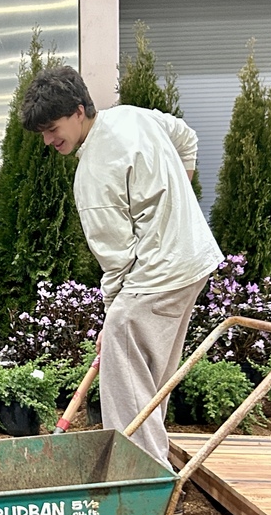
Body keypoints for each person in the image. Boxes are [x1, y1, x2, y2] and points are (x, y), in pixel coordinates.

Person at [20, 66, 222, 466]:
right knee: (147, 382)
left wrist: (113, 318)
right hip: (192, 262)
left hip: (155, 276)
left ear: (79, 111)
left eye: (52, 128)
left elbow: (117, 261)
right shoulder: (133, 116)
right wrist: (178, 196)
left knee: (126, 393)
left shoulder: (94, 173)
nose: (48, 140)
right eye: (42, 132)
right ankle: (152, 469)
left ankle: (141, 479)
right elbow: (186, 136)